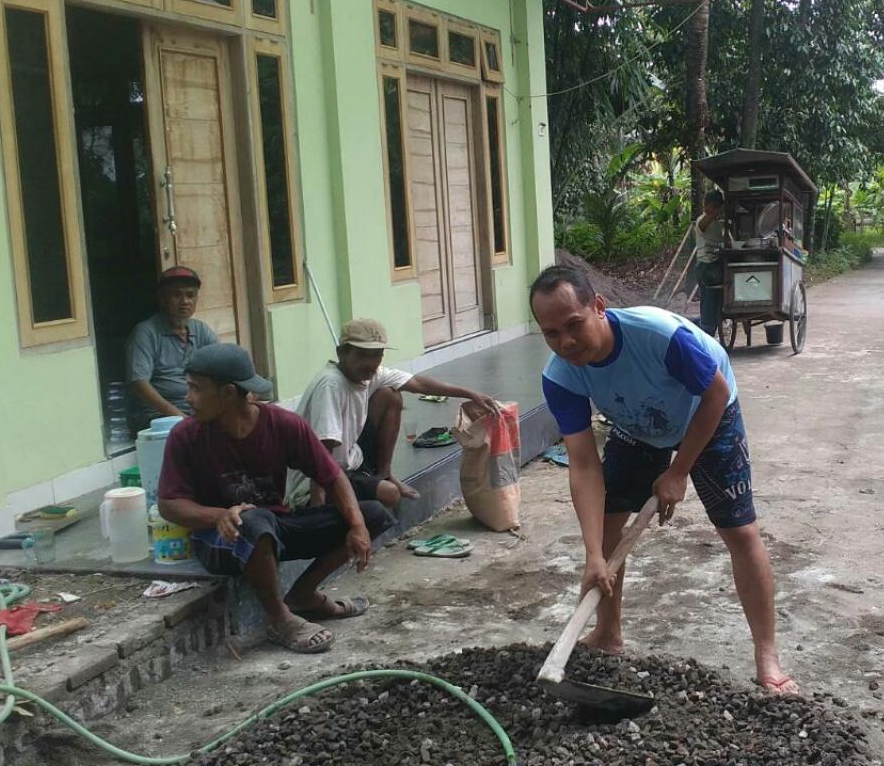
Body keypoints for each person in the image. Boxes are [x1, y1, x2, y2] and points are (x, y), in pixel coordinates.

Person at [529, 264, 798, 695]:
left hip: (706, 414)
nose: (566, 342)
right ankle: (608, 634)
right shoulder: (560, 376)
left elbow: (716, 394)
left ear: (599, 306)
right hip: (638, 427)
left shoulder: (659, 336)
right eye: (551, 334)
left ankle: (768, 657)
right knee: (609, 526)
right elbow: (582, 463)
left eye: (574, 325)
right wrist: (593, 554)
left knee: (740, 532)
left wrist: (677, 472)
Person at [157, 343, 393, 654]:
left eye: (196, 389)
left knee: (373, 513)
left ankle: (303, 596)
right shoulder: (185, 436)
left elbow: (332, 476)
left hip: (273, 527)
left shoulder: (281, 424)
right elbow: (169, 504)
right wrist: (217, 515)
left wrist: (358, 526)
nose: (188, 398)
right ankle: (280, 619)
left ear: (228, 393)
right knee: (253, 521)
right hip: (220, 539)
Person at [287, 318, 497, 511]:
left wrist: (470, 393)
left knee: (390, 395)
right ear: (342, 353)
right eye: (362, 355)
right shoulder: (331, 384)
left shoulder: (369, 375)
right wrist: (318, 509)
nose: (370, 363)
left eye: (376, 355)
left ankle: (384, 473)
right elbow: (321, 453)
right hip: (320, 479)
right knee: (390, 495)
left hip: (350, 461)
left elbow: (418, 384)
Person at [125, 266, 219, 432]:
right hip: (157, 415)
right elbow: (138, 383)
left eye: (190, 295)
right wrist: (178, 416)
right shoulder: (145, 332)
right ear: (162, 299)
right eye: (177, 295)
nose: (185, 301)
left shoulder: (201, 330)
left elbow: (223, 365)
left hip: (196, 409)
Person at [693, 189, 730, 336]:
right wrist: (719, 210)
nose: (705, 207)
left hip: (717, 264)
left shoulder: (718, 224)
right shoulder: (702, 220)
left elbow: (726, 241)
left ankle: (715, 322)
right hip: (706, 266)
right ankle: (707, 330)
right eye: (707, 205)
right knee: (708, 300)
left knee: (717, 297)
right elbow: (703, 224)